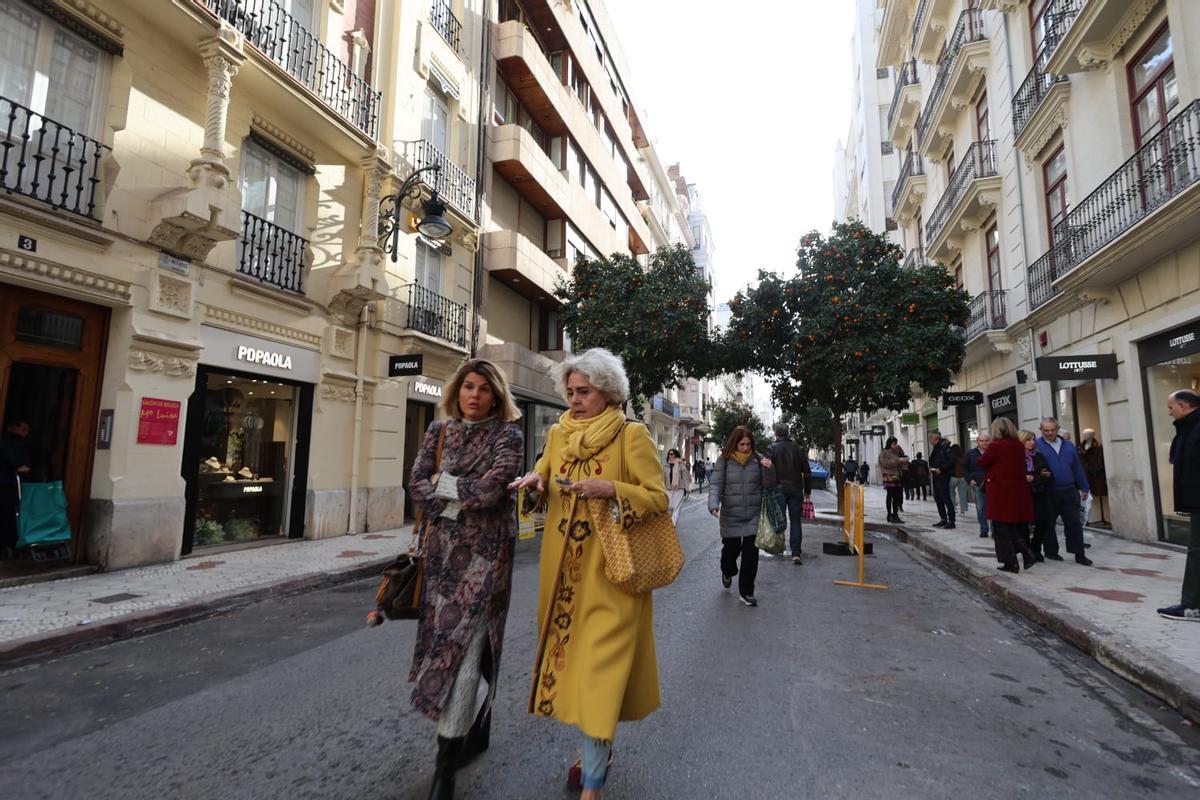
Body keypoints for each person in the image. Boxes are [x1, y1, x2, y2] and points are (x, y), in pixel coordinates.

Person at [508, 348, 666, 798]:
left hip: (613, 576)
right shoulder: (558, 435)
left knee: (599, 674)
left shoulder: (631, 436)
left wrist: (611, 488)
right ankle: (597, 748)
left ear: (608, 392)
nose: (575, 400)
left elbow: (656, 498)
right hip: (562, 578)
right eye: (571, 392)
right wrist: (533, 485)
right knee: (577, 672)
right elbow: (541, 477)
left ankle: (592, 783)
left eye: (585, 392)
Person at [407, 359, 525, 800]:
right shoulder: (437, 433)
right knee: (446, 650)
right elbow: (416, 483)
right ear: (457, 391)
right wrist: (458, 492)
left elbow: (494, 490)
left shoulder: (508, 435)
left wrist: (444, 487)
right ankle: (472, 728)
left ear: (496, 395)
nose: (473, 394)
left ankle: (445, 764)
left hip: (488, 560)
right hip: (441, 562)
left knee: (467, 656)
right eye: (467, 387)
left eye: (482, 388)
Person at [709, 425, 775, 606]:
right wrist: (713, 504)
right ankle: (727, 570)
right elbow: (715, 484)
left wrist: (769, 469)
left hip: (754, 515)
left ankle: (746, 592)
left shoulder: (757, 459)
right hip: (731, 515)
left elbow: (768, 484)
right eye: (742, 444)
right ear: (734, 444)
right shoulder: (724, 460)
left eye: (748, 444)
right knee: (731, 551)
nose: (745, 448)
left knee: (751, 555)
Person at [1157, 389, 1200, 622]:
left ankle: (1192, 606)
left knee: (1196, 552)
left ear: (1184, 406)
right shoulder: (1187, 429)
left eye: (1171, 408)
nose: (1169, 413)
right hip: (1195, 502)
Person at [978, 418, 1036, 573]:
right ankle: (1024, 555)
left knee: (1001, 528)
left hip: (1000, 491)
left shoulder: (995, 446)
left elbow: (982, 462)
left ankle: (1015, 560)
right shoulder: (1018, 445)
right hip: (1017, 490)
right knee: (1011, 526)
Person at [1036, 417, 1093, 566]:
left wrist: (1084, 486)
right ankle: (1051, 551)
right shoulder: (1036, 445)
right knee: (1048, 524)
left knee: (1074, 523)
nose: (1049, 433)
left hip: (1068, 490)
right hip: (1047, 491)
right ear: (1041, 430)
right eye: (1046, 430)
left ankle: (1079, 554)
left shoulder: (1068, 445)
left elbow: (1077, 467)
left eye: (1052, 430)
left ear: (1058, 429)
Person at [766, 422, 812, 564]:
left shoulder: (772, 449)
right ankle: (796, 553)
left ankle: (779, 547)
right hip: (795, 489)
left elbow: (767, 471)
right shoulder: (798, 449)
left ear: (776, 433)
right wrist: (807, 491)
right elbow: (807, 472)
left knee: (779, 520)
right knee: (796, 521)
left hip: (777, 490)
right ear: (788, 433)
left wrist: (767, 489)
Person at [1017, 429, 1052, 561]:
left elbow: (1048, 475)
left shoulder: (1038, 456)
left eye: (1033, 439)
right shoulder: (1016, 457)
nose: (1031, 442)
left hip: (1039, 492)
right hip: (1023, 494)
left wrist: (1034, 478)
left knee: (1043, 521)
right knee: (1024, 524)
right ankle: (1027, 551)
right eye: (1028, 440)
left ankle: (1035, 548)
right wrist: (1037, 476)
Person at [0, 420, 32, 559]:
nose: (26, 434)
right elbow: (10, 458)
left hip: (15, 484)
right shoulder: (7, 443)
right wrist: (17, 465)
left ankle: (11, 544)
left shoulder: (21, 444)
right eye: (23, 430)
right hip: (7, 483)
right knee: (7, 514)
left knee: (14, 515)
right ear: (13, 428)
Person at [928, 432, 957, 529]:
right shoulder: (936, 448)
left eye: (930, 439)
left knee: (946, 498)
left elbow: (951, 461)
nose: (929, 441)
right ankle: (943, 519)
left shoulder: (945, 447)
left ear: (934, 439)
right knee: (938, 498)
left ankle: (951, 521)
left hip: (943, 476)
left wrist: (941, 469)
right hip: (936, 476)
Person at [1079, 429, 1107, 526]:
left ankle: (1102, 517)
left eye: (1087, 434)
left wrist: (1095, 469)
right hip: (1085, 475)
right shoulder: (1080, 447)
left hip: (1096, 475)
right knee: (1086, 497)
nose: (1084, 436)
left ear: (1092, 435)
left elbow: (1100, 461)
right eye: (1084, 434)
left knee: (1097, 494)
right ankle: (1087, 519)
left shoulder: (1098, 447)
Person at [965, 433, 990, 538]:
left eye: (986, 441)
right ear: (977, 442)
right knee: (980, 507)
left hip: (992, 483)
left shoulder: (992, 452)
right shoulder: (970, 453)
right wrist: (970, 479)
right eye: (981, 441)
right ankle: (984, 530)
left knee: (993, 507)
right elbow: (965, 468)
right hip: (978, 484)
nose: (984, 443)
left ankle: (995, 530)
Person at [878, 437, 908, 524]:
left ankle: (895, 514)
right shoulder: (884, 453)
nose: (895, 445)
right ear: (889, 444)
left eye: (896, 444)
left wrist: (901, 453)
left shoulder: (896, 452)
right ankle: (889, 514)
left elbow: (902, 456)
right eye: (894, 444)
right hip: (889, 476)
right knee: (890, 495)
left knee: (897, 496)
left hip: (897, 476)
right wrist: (898, 460)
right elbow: (886, 464)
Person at [664, 448, 690, 525]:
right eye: (669, 454)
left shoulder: (680, 464)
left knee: (676, 507)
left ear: (675, 455)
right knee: (669, 507)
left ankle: (672, 525)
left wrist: (687, 489)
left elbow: (685, 477)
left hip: (679, 488)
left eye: (671, 454)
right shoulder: (666, 465)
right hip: (668, 489)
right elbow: (663, 478)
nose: (670, 455)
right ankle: (670, 524)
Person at [950, 443, 969, 517]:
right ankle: (962, 511)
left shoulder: (951, 458)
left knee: (951, 493)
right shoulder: (963, 458)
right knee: (963, 495)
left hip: (953, 477)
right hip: (963, 478)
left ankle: (953, 508)